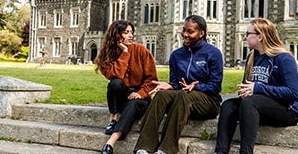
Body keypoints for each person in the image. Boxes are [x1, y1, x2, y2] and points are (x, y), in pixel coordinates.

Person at [214, 18, 298, 154]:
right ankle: (220, 151)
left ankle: (246, 151)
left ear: (260, 37)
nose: (245, 37)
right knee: (228, 105)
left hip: (288, 110)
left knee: (250, 102)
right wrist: (245, 91)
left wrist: (257, 88)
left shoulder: (283, 58)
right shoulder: (252, 57)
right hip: (260, 107)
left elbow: (293, 93)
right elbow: (249, 87)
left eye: (248, 34)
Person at [133, 14, 224, 154]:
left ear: (202, 33)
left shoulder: (213, 53)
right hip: (182, 99)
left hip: (208, 102)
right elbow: (176, 83)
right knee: (161, 95)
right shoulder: (176, 55)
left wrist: (197, 86)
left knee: (184, 95)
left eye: (190, 31)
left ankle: (166, 149)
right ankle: (144, 146)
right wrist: (170, 85)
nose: (185, 34)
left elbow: (215, 86)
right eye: (184, 30)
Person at [94, 20, 158, 154]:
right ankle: (113, 118)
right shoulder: (106, 55)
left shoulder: (141, 50)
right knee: (115, 83)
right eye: (126, 32)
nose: (130, 36)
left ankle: (111, 142)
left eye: (131, 33)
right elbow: (115, 75)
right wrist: (125, 53)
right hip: (122, 96)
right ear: (116, 35)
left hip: (140, 96)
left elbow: (152, 80)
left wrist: (140, 93)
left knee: (134, 103)